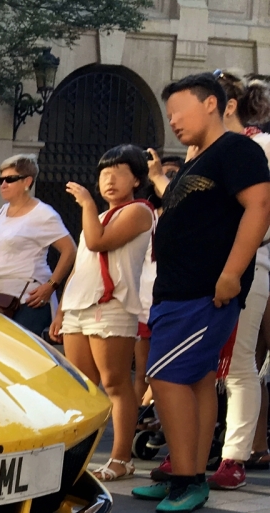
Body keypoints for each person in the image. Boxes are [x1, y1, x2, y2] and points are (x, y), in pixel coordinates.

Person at [131, 73, 270, 513]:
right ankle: (185, 472)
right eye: (169, 113)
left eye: (179, 110)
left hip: (204, 290)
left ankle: (187, 477)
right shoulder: (197, 160)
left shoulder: (238, 149)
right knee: (196, 378)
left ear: (211, 103)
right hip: (178, 289)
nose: (172, 120)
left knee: (165, 375)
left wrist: (232, 272)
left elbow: (260, 206)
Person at [50, 145, 155, 482]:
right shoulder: (95, 217)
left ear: (136, 179)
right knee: (83, 386)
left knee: (115, 383)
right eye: (104, 174)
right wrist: (61, 310)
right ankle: (79, 455)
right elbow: (83, 265)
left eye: (118, 173)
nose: (108, 180)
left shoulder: (139, 211)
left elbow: (98, 243)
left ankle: (121, 458)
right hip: (79, 306)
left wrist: (87, 203)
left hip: (111, 307)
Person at [205, 70, 270, 489]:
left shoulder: (260, 145)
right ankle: (188, 450)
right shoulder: (205, 151)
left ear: (225, 105)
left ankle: (234, 457)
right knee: (201, 366)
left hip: (249, 261)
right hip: (204, 266)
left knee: (239, 364)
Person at [0, 154, 77, 335]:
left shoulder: (43, 214)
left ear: (27, 182)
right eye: (1, 180)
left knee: (19, 352)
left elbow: (70, 249)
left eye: (10, 179)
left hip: (28, 300)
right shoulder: (2, 211)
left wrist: (51, 285)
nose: (3, 184)